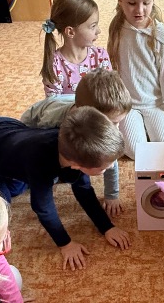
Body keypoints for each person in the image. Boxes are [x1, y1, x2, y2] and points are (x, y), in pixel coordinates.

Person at [0, 107, 130, 270]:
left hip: (6, 131)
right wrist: (65, 244)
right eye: (104, 168)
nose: (110, 167)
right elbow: (43, 208)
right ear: (77, 165)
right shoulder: (40, 163)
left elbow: (84, 191)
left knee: (18, 187)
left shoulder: (72, 150)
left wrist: (106, 226)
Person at [21, 69, 132, 217]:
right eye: (112, 123)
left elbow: (111, 157)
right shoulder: (52, 122)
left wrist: (112, 195)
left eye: (118, 123)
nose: (116, 129)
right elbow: (36, 145)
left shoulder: (95, 116)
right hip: (31, 128)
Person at [108, 0, 164, 159]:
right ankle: (141, 130)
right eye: (132, 3)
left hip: (154, 104)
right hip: (127, 105)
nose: (139, 10)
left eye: (146, 3)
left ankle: (147, 129)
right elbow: (112, 68)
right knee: (133, 151)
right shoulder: (117, 29)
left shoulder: (160, 34)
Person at [40, 0, 112, 97]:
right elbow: (53, 103)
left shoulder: (101, 56)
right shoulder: (54, 64)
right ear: (70, 32)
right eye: (93, 26)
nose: (98, 31)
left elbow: (109, 94)